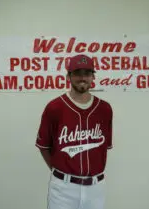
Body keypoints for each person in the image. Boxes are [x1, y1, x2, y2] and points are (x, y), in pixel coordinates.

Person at [35, 54, 113, 209]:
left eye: (87, 73)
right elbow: (44, 146)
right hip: (63, 189)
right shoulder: (54, 108)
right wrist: (61, 170)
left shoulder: (105, 109)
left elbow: (105, 147)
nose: (82, 78)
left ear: (92, 77)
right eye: (77, 73)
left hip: (96, 188)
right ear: (68, 76)